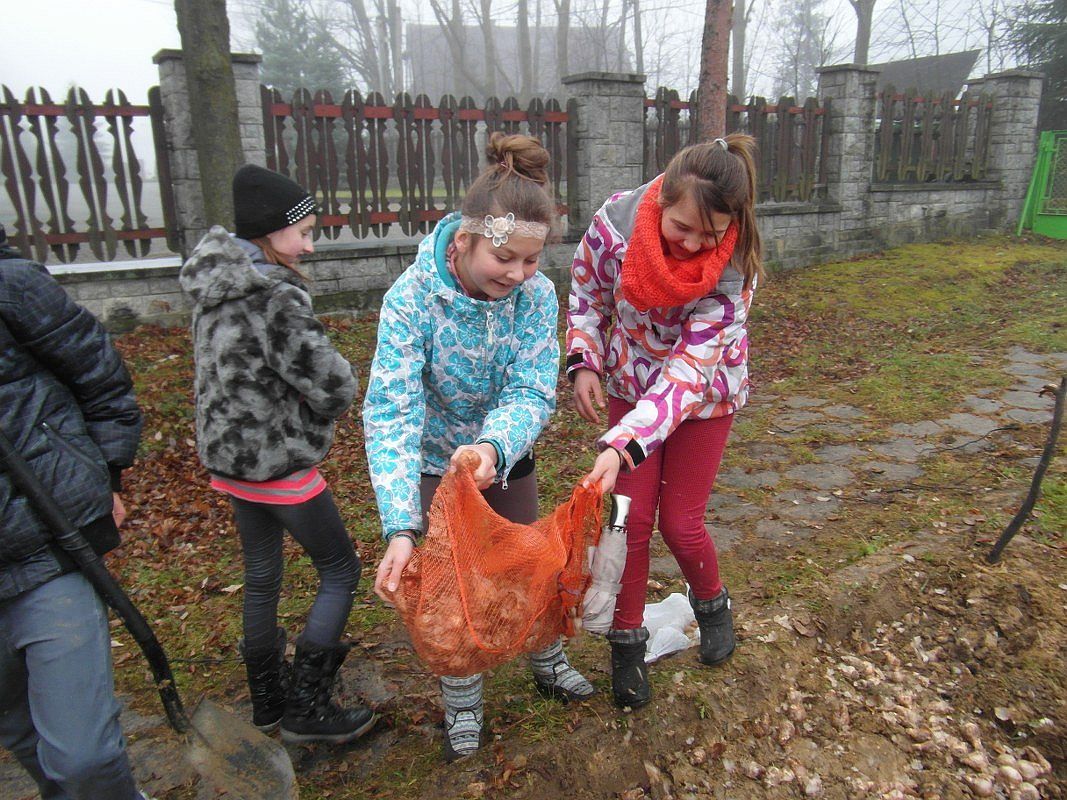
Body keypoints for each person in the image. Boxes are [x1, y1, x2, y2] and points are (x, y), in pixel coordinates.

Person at [364, 133, 595, 762]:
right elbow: (392, 409)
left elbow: (531, 387)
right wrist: (401, 525)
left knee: (529, 562)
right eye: (504, 258)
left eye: (532, 259)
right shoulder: (411, 300)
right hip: (435, 468)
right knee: (454, 586)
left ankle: (546, 656)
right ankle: (463, 697)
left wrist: (494, 446)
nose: (518, 275)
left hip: (506, 457)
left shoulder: (535, 296)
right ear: (465, 240)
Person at [178, 165, 376, 745]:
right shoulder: (274, 294)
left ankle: (267, 702)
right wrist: (332, 392)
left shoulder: (213, 287)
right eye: (305, 232)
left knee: (262, 577)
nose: (311, 245)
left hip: (232, 464)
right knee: (341, 569)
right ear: (271, 230)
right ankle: (307, 709)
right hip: (279, 464)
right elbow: (331, 384)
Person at [566, 134, 763, 709]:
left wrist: (620, 446)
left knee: (680, 523)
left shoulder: (734, 272)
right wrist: (585, 359)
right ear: (660, 202)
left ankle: (713, 605)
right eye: (683, 228)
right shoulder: (614, 226)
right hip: (631, 387)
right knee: (628, 522)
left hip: (702, 398)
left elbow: (686, 376)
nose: (694, 245)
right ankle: (626, 645)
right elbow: (587, 293)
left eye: (712, 233)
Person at [0, 224, 150, 798]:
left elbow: (101, 376)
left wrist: (104, 474)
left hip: (44, 547)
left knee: (83, 755)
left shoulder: (12, 287)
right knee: (19, 731)